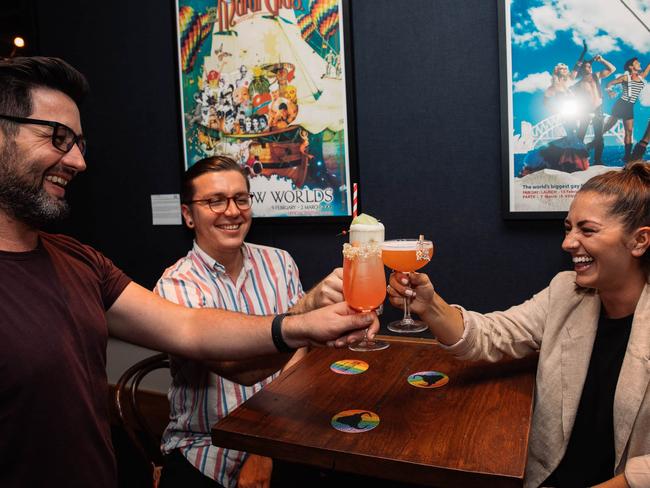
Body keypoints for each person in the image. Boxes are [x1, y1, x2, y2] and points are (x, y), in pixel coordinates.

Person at [0, 56, 378, 488]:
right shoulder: (178, 278)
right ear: (188, 215)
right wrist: (304, 321)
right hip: (205, 457)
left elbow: (190, 327)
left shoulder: (80, 261)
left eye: (79, 144)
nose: (78, 162)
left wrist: (307, 320)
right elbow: (232, 363)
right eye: (57, 137)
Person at [387, 163, 650, 488]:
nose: (568, 242)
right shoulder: (565, 292)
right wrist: (430, 306)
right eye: (568, 228)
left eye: (587, 230)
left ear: (639, 241)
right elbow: (492, 336)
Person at [155, 156, 345, 488]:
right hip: (203, 450)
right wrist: (309, 310)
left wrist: (266, 446)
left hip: (283, 437)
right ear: (188, 215)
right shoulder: (176, 286)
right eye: (215, 201)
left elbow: (299, 356)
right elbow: (236, 365)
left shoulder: (279, 262)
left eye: (241, 199)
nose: (232, 211)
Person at [603, 57, 650, 161]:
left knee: (629, 131)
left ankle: (627, 156)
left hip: (629, 106)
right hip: (621, 104)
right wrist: (610, 91)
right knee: (609, 126)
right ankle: (596, 140)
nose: (639, 63)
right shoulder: (625, 77)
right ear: (631, 66)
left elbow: (648, 67)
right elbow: (609, 84)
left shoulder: (641, 77)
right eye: (637, 63)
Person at [574, 55, 616, 165]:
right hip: (585, 111)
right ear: (582, 69)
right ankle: (578, 160)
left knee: (599, 137)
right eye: (586, 67)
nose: (589, 68)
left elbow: (612, 69)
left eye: (590, 66)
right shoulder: (577, 85)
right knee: (580, 136)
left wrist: (602, 60)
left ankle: (598, 161)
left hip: (598, 110)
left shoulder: (596, 76)